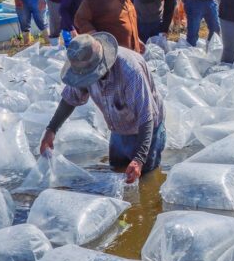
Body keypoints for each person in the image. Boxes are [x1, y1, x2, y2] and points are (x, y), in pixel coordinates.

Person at [40, 32, 164, 183]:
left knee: (146, 179)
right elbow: (70, 99)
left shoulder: (130, 72)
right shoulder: (82, 69)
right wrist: (51, 130)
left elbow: (146, 116)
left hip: (146, 129)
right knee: (117, 173)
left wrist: (139, 159)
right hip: (119, 128)